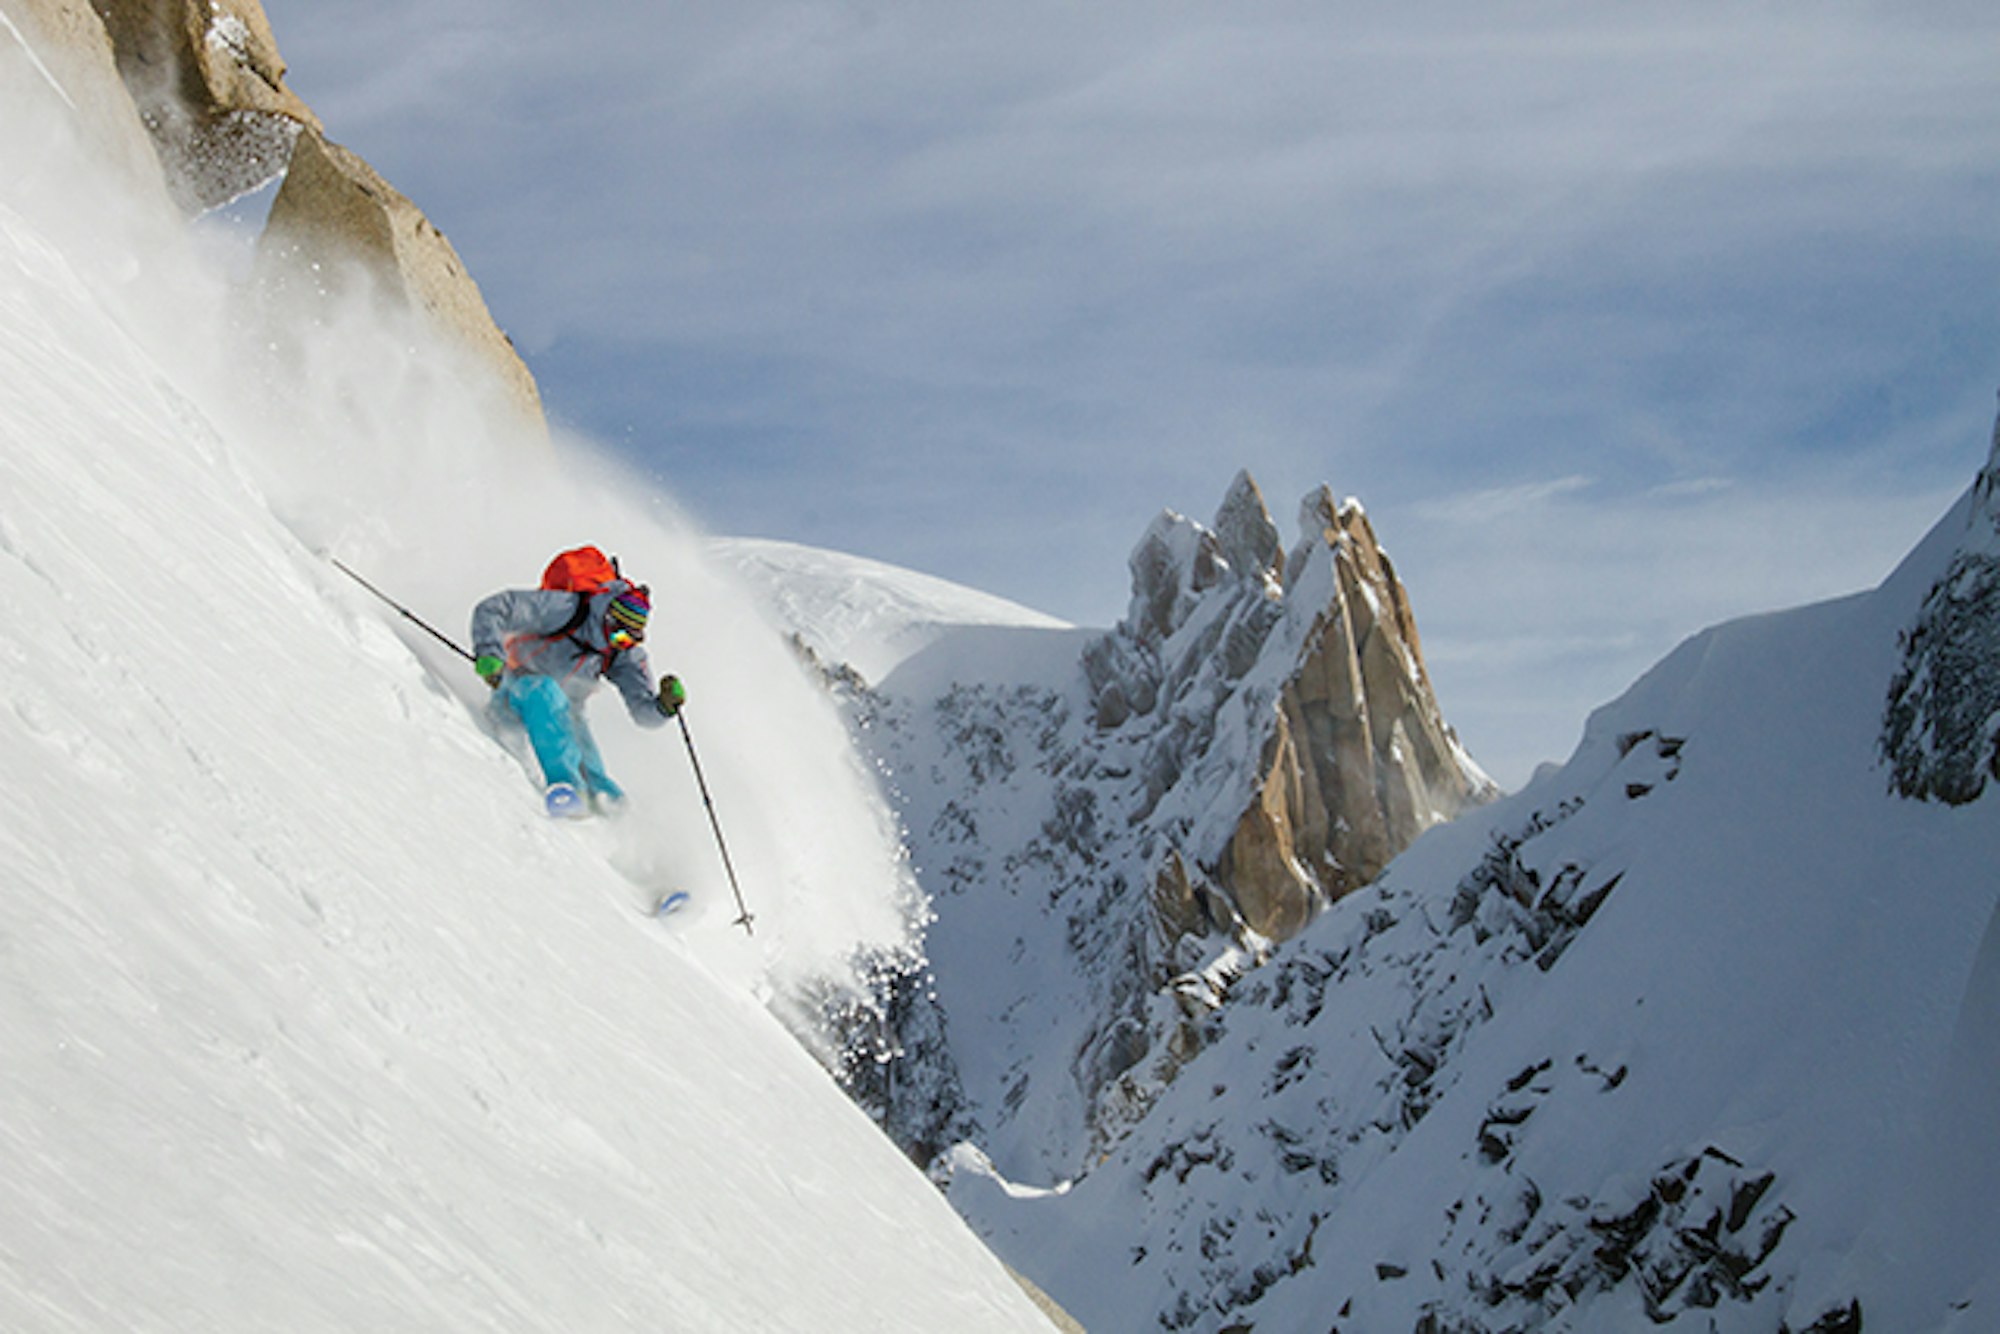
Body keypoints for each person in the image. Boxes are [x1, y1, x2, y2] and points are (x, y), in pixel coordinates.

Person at [469, 574, 688, 817]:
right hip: (514, 690)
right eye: (619, 636)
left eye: (630, 640)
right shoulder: (566, 609)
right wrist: (489, 653)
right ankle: (568, 790)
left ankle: (613, 810)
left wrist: (664, 708)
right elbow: (492, 609)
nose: (621, 644)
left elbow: (642, 714)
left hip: (565, 712)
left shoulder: (621, 653)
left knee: (588, 760)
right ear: (608, 620)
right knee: (547, 692)